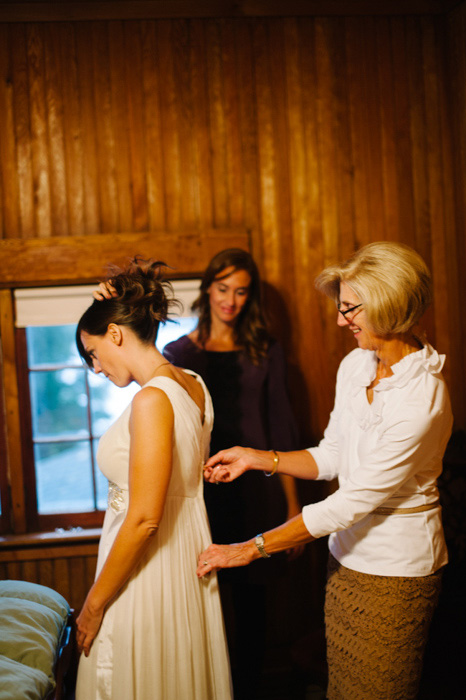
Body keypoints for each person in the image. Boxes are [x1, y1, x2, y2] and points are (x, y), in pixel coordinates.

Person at [197, 241, 453, 700]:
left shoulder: (423, 399)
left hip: (396, 573)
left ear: (388, 304)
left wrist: (251, 549)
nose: (340, 321)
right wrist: (259, 458)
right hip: (344, 561)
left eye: (351, 308)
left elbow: (351, 502)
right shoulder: (356, 364)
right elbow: (332, 455)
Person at [74, 258, 232, 700]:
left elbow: (144, 518)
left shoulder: (151, 400)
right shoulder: (194, 385)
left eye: (93, 354)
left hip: (145, 573)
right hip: (185, 567)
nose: (97, 367)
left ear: (116, 334)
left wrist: (93, 604)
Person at [162, 248, 302, 699]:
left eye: (242, 291)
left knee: (253, 608)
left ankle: (248, 690)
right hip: (203, 495)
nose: (231, 300)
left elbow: (281, 427)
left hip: (259, 496)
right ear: (207, 288)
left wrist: (293, 508)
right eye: (223, 289)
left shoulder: (266, 350)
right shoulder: (177, 353)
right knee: (206, 605)